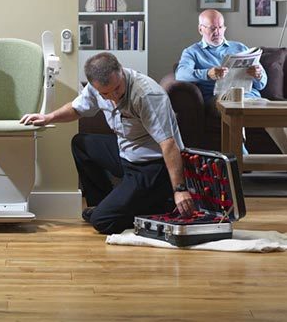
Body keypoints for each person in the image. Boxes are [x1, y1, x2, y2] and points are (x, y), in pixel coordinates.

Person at [20, 52, 194, 235]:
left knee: (102, 221)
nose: (113, 97)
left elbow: (168, 144)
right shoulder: (96, 88)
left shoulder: (148, 95)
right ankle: (103, 203)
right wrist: (48, 117)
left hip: (152, 166)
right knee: (81, 144)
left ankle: (160, 206)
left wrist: (180, 190)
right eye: (105, 93)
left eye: (117, 88)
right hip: (126, 152)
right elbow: (76, 108)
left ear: (121, 71)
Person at [174, 9, 287, 152]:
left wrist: (258, 75)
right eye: (212, 28)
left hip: (250, 97)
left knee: (273, 113)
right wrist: (207, 74)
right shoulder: (192, 52)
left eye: (220, 27)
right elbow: (181, 74)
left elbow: (262, 83)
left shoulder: (239, 47)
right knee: (234, 102)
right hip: (219, 98)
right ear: (200, 29)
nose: (217, 32)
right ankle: (241, 158)